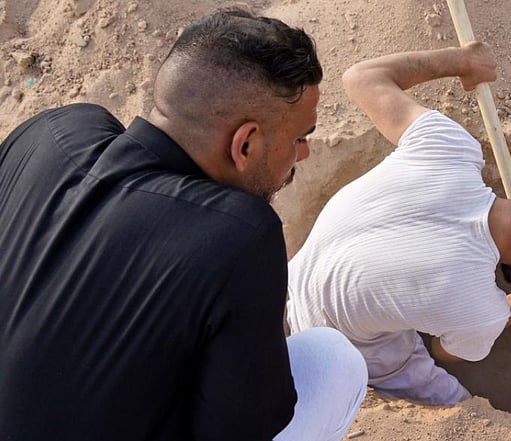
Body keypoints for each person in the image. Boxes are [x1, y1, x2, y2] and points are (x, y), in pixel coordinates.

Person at [0, 9, 366, 441]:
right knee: (333, 361)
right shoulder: (241, 233)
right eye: (300, 138)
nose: (302, 155)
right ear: (245, 143)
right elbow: (243, 428)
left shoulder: (52, 130)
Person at [286, 42, 511, 406]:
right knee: (460, 408)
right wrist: (507, 311)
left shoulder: (447, 146)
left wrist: (459, 61)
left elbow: (361, 77)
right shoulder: (480, 311)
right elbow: (442, 351)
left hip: (281, 286)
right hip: (333, 344)